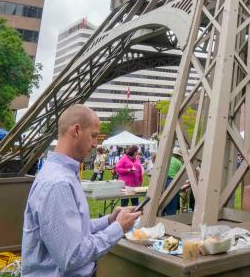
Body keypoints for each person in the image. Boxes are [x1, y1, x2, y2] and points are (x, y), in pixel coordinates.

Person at [22, 104, 138, 276]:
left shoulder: (62, 174)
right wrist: (118, 228)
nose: (95, 144)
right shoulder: (58, 183)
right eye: (93, 136)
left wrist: (109, 220)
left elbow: (74, 232)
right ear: (76, 130)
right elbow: (72, 256)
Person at [163, 149, 183, 217]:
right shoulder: (179, 162)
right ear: (179, 156)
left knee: (162, 202)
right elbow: (181, 176)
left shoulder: (166, 159)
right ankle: (170, 219)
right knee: (172, 203)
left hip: (162, 182)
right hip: (172, 182)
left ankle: (161, 219)